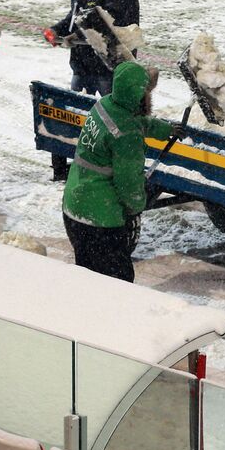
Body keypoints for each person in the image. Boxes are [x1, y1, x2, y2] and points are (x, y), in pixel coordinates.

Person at [61, 60, 178, 283]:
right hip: (100, 218)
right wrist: (136, 206)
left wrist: (165, 130)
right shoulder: (127, 136)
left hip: (74, 205)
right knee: (119, 283)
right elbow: (129, 183)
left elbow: (133, 122)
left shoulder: (105, 105)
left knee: (87, 278)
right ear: (138, 95)